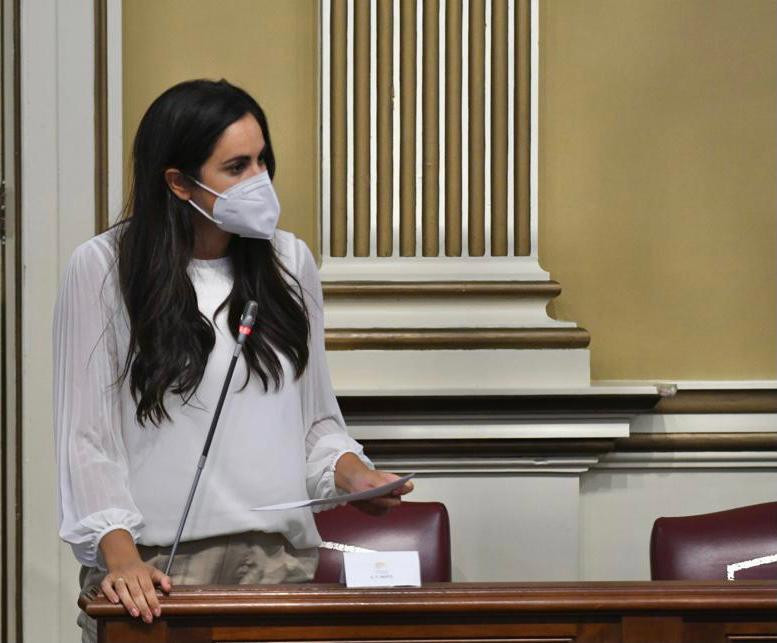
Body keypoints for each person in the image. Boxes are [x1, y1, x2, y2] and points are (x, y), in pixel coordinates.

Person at [53, 79, 413, 642]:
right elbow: (86, 440)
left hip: (280, 567)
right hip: (157, 571)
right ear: (177, 181)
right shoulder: (101, 268)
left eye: (263, 161)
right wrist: (120, 560)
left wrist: (355, 476)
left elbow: (314, 421)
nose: (259, 182)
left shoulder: (290, 261)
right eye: (237, 166)